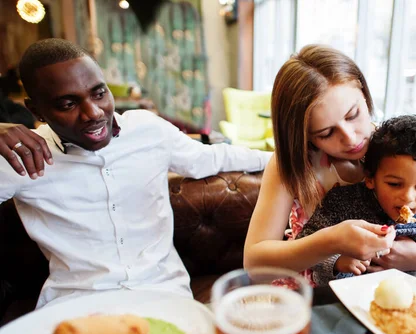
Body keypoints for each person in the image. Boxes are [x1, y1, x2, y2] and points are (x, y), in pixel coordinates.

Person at [0, 39, 272, 308]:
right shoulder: (20, 156)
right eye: (68, 104)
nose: (93, 113)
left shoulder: (148, 130)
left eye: (99, 93)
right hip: (76, 305)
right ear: (36, 110)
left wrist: (290, 159)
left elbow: (212, 157)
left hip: (163, 294)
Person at [244, 45, 416, 286]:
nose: (350, 138)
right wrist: (332, 240)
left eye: (353, 115)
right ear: (304, 136)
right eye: (326, 133)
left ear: (363, 91)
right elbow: (255, 265)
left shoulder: (402, 147)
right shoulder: (294, 164)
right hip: (319, 295)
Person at [297, 115, 416, 285]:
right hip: (353, 296)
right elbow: (308, 243)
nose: (408, 198)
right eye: (394, 184)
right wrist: (337, 262)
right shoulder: (344, 202)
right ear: (370, 178)